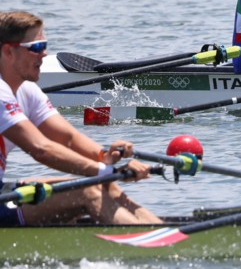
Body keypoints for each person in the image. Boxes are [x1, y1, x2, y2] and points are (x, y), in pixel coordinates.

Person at [0, 11, 160, 226]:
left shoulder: (27, 91)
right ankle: (152, 246)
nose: (44, 55)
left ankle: (163, 234)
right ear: (9, 51)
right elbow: (41, 149)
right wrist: (106, 171)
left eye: (45, 46)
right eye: (36, 48)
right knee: (88, 189)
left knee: (104, 183)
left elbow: (68, 138)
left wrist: (105, 158)